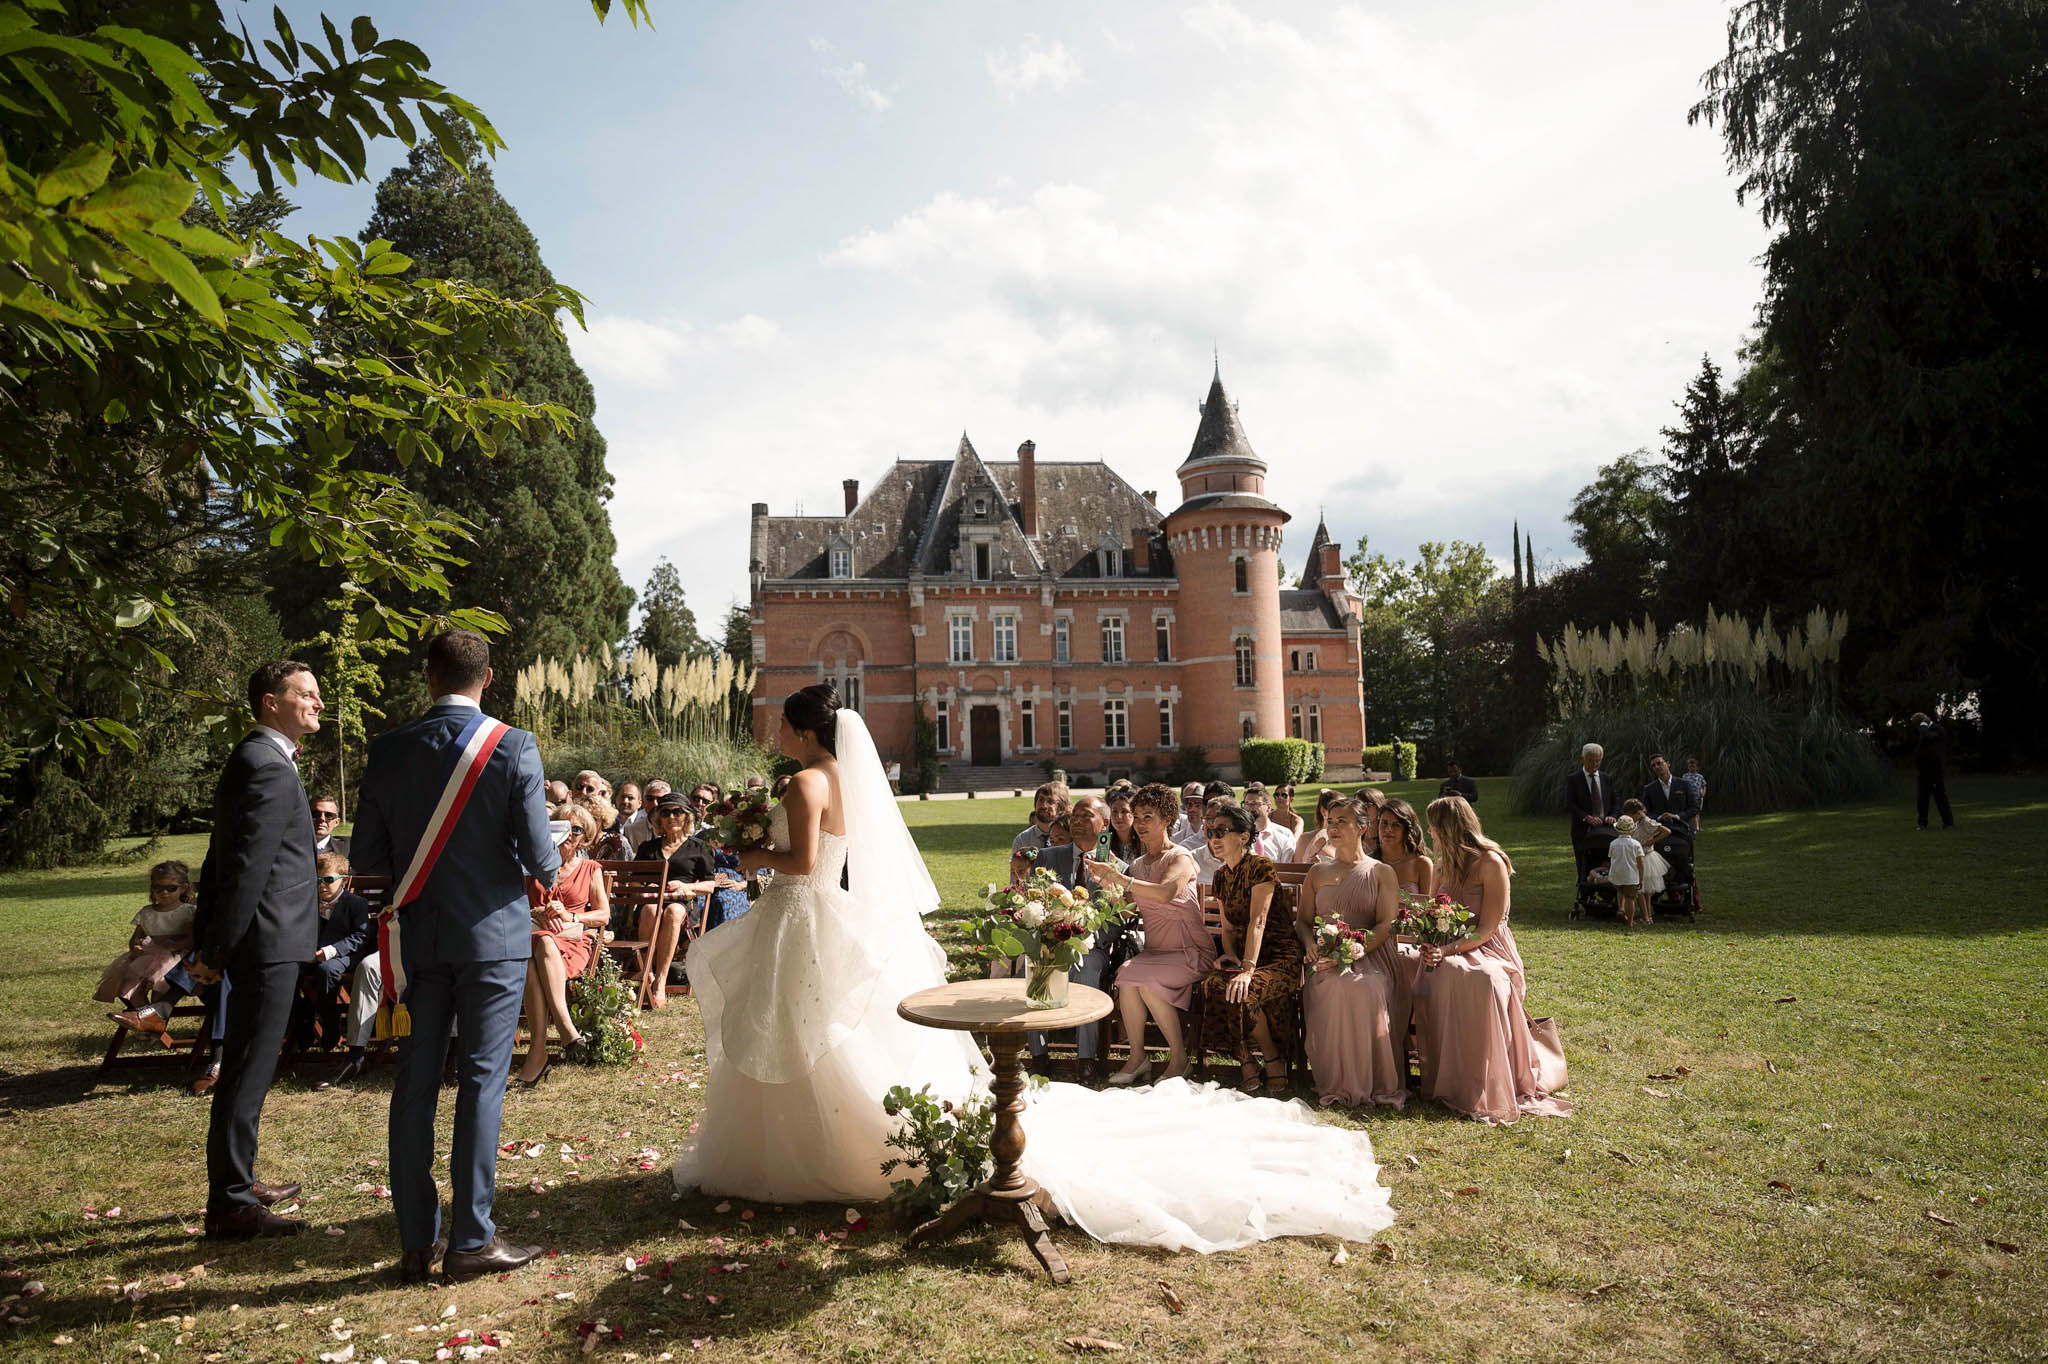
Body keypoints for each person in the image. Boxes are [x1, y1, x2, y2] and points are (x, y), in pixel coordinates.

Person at [676, 692, 1394, 1254]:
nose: (772, 732)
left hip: (804, 910)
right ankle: (827, 1139)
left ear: (801, 729)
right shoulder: (835, 776)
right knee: (825, 1029)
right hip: (819, 913)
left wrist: (753, 855)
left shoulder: (805, 780)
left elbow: (800, 863)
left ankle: (818, 1148)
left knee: (813, 1028)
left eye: (779, 723)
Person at [351, 629, 560, 1285]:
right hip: (492, 939)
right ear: (488, 677)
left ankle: (416, 1243)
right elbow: (540, 858)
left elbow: (366, 864)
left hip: (417, 939)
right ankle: (471, 1239)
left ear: (429, 677)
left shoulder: (387, 750)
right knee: (480, 1082)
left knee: (413, 1085)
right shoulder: (514, 746)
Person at [190, 660, 325, 1240]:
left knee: (251, 1066)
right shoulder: (265, 765)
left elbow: (220, 858)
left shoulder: (260, 760)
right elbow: (244, 868)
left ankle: (238, 1180)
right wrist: (215, 948)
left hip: (264, 939)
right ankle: (231, 1203)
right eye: (307, 694)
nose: (318, 703)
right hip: (265, 941)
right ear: (271, 701)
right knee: (247, 1070)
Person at [1410, 796, 1571, 1124]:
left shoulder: (1491, 863)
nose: (1430, 831)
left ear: (1449, 828)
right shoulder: (1440, 866)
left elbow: (1488, 927)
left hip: (1487, 946)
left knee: (1479, 977)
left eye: (1434, 825)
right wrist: (1429, 938)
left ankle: (1484, 1081)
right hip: (1448, 943)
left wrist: (1450, 950)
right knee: (1419, 967)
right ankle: (1445, 1078)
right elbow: (1431, 912)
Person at [1087, 784, 1215, 1086]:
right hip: (1156, 952)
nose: (1141, 824)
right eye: (1137, 817)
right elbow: (1130, 911)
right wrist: (1109, 886)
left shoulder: (1180, 858)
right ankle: (1137, 1058)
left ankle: (1179, 1059)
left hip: (1189, 950)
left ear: (1168, 818)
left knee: (1145, 982)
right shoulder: (1137, 865)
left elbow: (1166, 893)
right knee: (1126, 977)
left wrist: (1121, 878)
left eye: (1148, 816)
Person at [1298, 798, 1409, 1109]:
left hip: (1371, 953)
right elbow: (1303, 921)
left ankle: (1372, 1082)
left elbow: (1386, 923)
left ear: (1361, 828)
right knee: (1331, 985)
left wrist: (1357, 949)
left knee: (1365, 987)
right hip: (1324, 956)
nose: (1333, 828)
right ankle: (1336, 1080)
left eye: (1341, 822)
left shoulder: (1380, 872)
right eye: (1330, 821)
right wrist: (1309, 942)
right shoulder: (1317, 873)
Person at [1193, 800, 1306, 1093]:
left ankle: (1273, 1058)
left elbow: (1258, 921)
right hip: (1244, 956)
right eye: (1210, 832)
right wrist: (1229, 954)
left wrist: (1247, 969)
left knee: (1246, 990)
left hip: (1280, 956)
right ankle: (1244, 1060)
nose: (1214, 839)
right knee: (1214, 985)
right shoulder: (1220, 875)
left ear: (1244, 837)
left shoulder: (1260, 867)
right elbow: (1228, 927)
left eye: (1221, 831)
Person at [1027, 796, 1125, 1084]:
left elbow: (1116, 920)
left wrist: (1087, 938)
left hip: (1092, 946)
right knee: (1039, 966)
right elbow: (1036, 899)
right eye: (1075, 817)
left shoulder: (1116, 865)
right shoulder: (1048, 857)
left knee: (1086, 971)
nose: (1077, 822)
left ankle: (1086, 1060)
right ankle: (1039, 1057)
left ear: (1104, 824)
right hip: (1051, 941)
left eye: (1086, 816)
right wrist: (1050, 935)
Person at [516, 805, 611, 1085]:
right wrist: (535, 912)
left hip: (572, 940)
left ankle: (539, 1050)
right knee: (538, 945)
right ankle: (565, 1030)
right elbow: (514, 906)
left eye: (577, 829)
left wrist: (570, 915)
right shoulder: (530, 868)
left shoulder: (590, 869)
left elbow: (603, 915)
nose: (569, 835)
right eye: (562, 827)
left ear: (585, 837)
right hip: (535, 937)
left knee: (536, 953)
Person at [635, 794, 727, 1006]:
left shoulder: (698, 847)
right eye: (665, 812)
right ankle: (647, 972)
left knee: (674, 911)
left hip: (683, 903)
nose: (671, 817)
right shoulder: (647, 848)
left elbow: (711, 884)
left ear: (686, 817)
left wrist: (687, 887)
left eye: (677, 812)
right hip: (652, 900)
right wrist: (647, 886)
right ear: (659, 819)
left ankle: (660, 981)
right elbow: (633, 883)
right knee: (649, 909)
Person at [97, 860, 199, 1013]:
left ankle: (155, 1022)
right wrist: (135, 946)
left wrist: (178, 945)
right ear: (152, 889)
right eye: (159, 888)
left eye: (171, 888)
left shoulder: (189, 911)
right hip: (148, 956)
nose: (164, 892)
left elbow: (194, 938)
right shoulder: (147, 912)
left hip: (175, 958)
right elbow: (136, 937)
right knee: (131, 991)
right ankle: (148, 1024)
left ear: (183, 888)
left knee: (160, 992)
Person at [299, 852, 371, 1049]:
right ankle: (301, 1024)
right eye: (318, 880)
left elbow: (360, 936)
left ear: (344, 880)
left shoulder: (356, 904)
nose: (322, 885)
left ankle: (331, 1023)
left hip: (344, 955)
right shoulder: (309, 903)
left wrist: (329, 952)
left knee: (327, 970)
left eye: (328, 880)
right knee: (288, 971)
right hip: (309, 954)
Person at [1565, 742, 1620, 876]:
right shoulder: (1574, 779)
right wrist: (1586, 817)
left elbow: (1615, 802)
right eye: (1591, 760)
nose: (1594, 764)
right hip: (1582, 830)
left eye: (1598, 761)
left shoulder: (1606, 778)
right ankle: (1584, 889)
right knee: (1583, 863)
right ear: (1582, 759)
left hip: (1606, 828)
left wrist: (1612, 815)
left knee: (1608, 860)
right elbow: (1570, 803)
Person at [1010, 780, 1070, 880]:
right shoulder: (1022, 840)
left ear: (1061, 808)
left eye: (1050, 802)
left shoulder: (1069, 837)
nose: (1043, 806)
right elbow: (1015, 880)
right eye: (1041, 800)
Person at [1375, 800, 1434, 898]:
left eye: (1396, 825)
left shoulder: (1421, 864)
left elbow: (1427, 907)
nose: (1388, 829)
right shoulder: (1369, 862)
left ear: (1406, 830)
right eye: (1384, 823)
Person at [1912, 713, 1954, 830]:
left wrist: (1924, 724)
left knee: (1940, 797)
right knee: (1922, 799)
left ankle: (1948, 823)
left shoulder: (1938, 730)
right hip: (1924, 771)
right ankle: (1922, 823)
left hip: (1935, 771)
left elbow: (1927, 737)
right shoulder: (1923, 731)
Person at [1605, 814, 1647, 926]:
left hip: (1616, 875)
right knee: (1630, 899)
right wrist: (1641, 879)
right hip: (1631, 876)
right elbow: (1641, 863)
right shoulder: (1636, 844)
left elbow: (1611, 858)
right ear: (1632, 830)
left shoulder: (1613, 844)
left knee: (1620, 891)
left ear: (1617, 830)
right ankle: (1630, 922)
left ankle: (1621, 909)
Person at [1241, 783, 1297, 862]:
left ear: (1268, 808)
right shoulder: (1237, 835)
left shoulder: (1284, 835)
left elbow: (1288, 869)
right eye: (1246, 803)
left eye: (1255, 803)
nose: (1249, 808)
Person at [618, 778, 670, 852]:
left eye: (660, 799)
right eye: (650, 799)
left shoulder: (676, 829)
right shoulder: (630, 830)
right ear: (643, 802)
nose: (655, 804)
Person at [1105, 792, 1143, 864]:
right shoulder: (1104, 841)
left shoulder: (1145, 841)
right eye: (1114, 811)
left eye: (1124, 811)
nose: (1119, 816)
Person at [1169, 781, 1206, 846]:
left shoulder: (1211, 836)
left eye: (1198, 805)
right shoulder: (1175, 840)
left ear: (1205, 808)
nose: (1192, 809)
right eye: (1189, 805)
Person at [1679, 758, 1706, 834]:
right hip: (1688, 796)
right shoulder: (1685, 776)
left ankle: (1697, 827)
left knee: (1697, 812)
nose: (1692, 768)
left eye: (1693, 766)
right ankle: (1690, 827)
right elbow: (1682, 785)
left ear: (1697, 767)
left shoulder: (1700, 776)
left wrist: (1703, 792)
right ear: (1688, 767)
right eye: (1690, 766)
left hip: (1698, 797)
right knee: (1689, 811)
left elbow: (1704, 785)